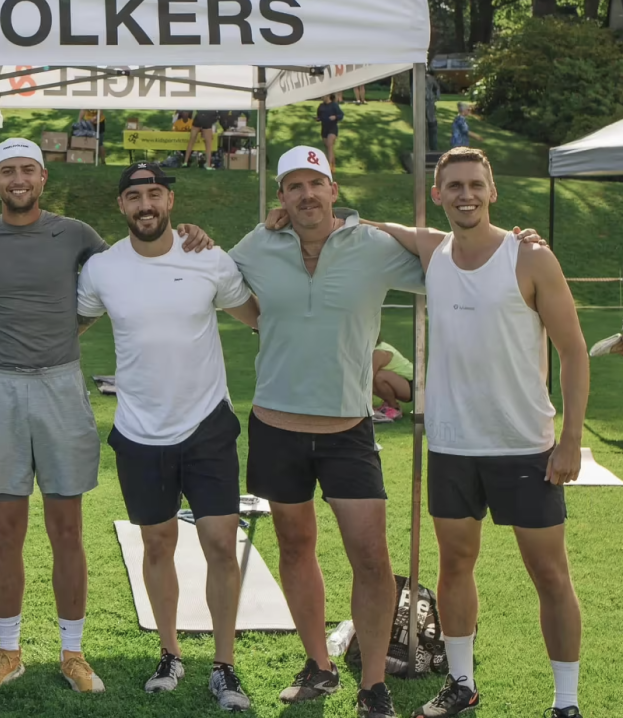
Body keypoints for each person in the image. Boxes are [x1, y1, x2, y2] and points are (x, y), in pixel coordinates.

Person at [0, 138, 213, 694]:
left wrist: (190, 233)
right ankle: (8, 651)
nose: (18, 179)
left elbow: (132, 256)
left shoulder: (75, 234)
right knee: (5, 529)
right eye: (7, 171)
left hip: (60, 388)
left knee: (66, 527)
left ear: (43, 177)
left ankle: (72, 653)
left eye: (28, 169)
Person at [366, 147, 588, 718]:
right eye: (454, 186)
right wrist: (299, 214)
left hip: (524, 445)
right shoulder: (432, 251)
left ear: (493, 193)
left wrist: (569, 439)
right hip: (452, 445)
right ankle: (461, 685)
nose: (466, 194)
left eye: (475, 185)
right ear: (438, 195)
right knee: (454, 565)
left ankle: (566, 703)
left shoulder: (531, 257)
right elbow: (366, 224)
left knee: (549, 573)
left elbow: (573, 351)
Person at [228, 144, 426, 718]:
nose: (306, 195)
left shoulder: (373, 247)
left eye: (316, 184)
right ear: (281, 198)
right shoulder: (257, 245)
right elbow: (216, 283)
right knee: (295, 545)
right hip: (275, 425)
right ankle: (318, 665)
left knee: (370, 557)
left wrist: (382, 222)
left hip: (348, 431)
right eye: (294, 186)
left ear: (333, 190)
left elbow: (454, 257)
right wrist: (261, 320)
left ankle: (372, 684)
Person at [76, 162, 260, 710]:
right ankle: (170, 652)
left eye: (154, 193)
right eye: (134, 196)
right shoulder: (103, 269)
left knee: (221, 543)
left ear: (170, 201)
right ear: (122, 207)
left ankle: (224, 666)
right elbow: (67, 327)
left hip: (206, 426)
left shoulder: (207, 255)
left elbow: (260, 317)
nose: (145, 204)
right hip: (138, 431)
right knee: (157, 544)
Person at [372, 336, 413, 423]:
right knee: (370, 378)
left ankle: (394, 407)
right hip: (402, 383)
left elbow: (367, 379)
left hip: (412, 385)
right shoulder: (373, 350)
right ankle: (387, 404)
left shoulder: (379, 352)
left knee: (377, 377)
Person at [316, 95, 343, 172]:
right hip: (324, 129)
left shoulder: (334, 105)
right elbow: (319, 116)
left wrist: (335, 117)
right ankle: (333, 165)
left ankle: (329, 166)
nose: (322, 97)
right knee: (327, 148)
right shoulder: (321, 106)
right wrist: (317, 118)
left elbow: (341, 115)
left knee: (330, 145)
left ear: (328, 96)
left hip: (332, 128)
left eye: (323, 96)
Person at [425, 73, 441, 152]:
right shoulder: (416, 77)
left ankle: (433, 146)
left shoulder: (430, 78)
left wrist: (438, 96)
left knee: (432, 124)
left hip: (430, 102)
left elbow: (437, 87)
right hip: (420, 103)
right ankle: (424, 147)